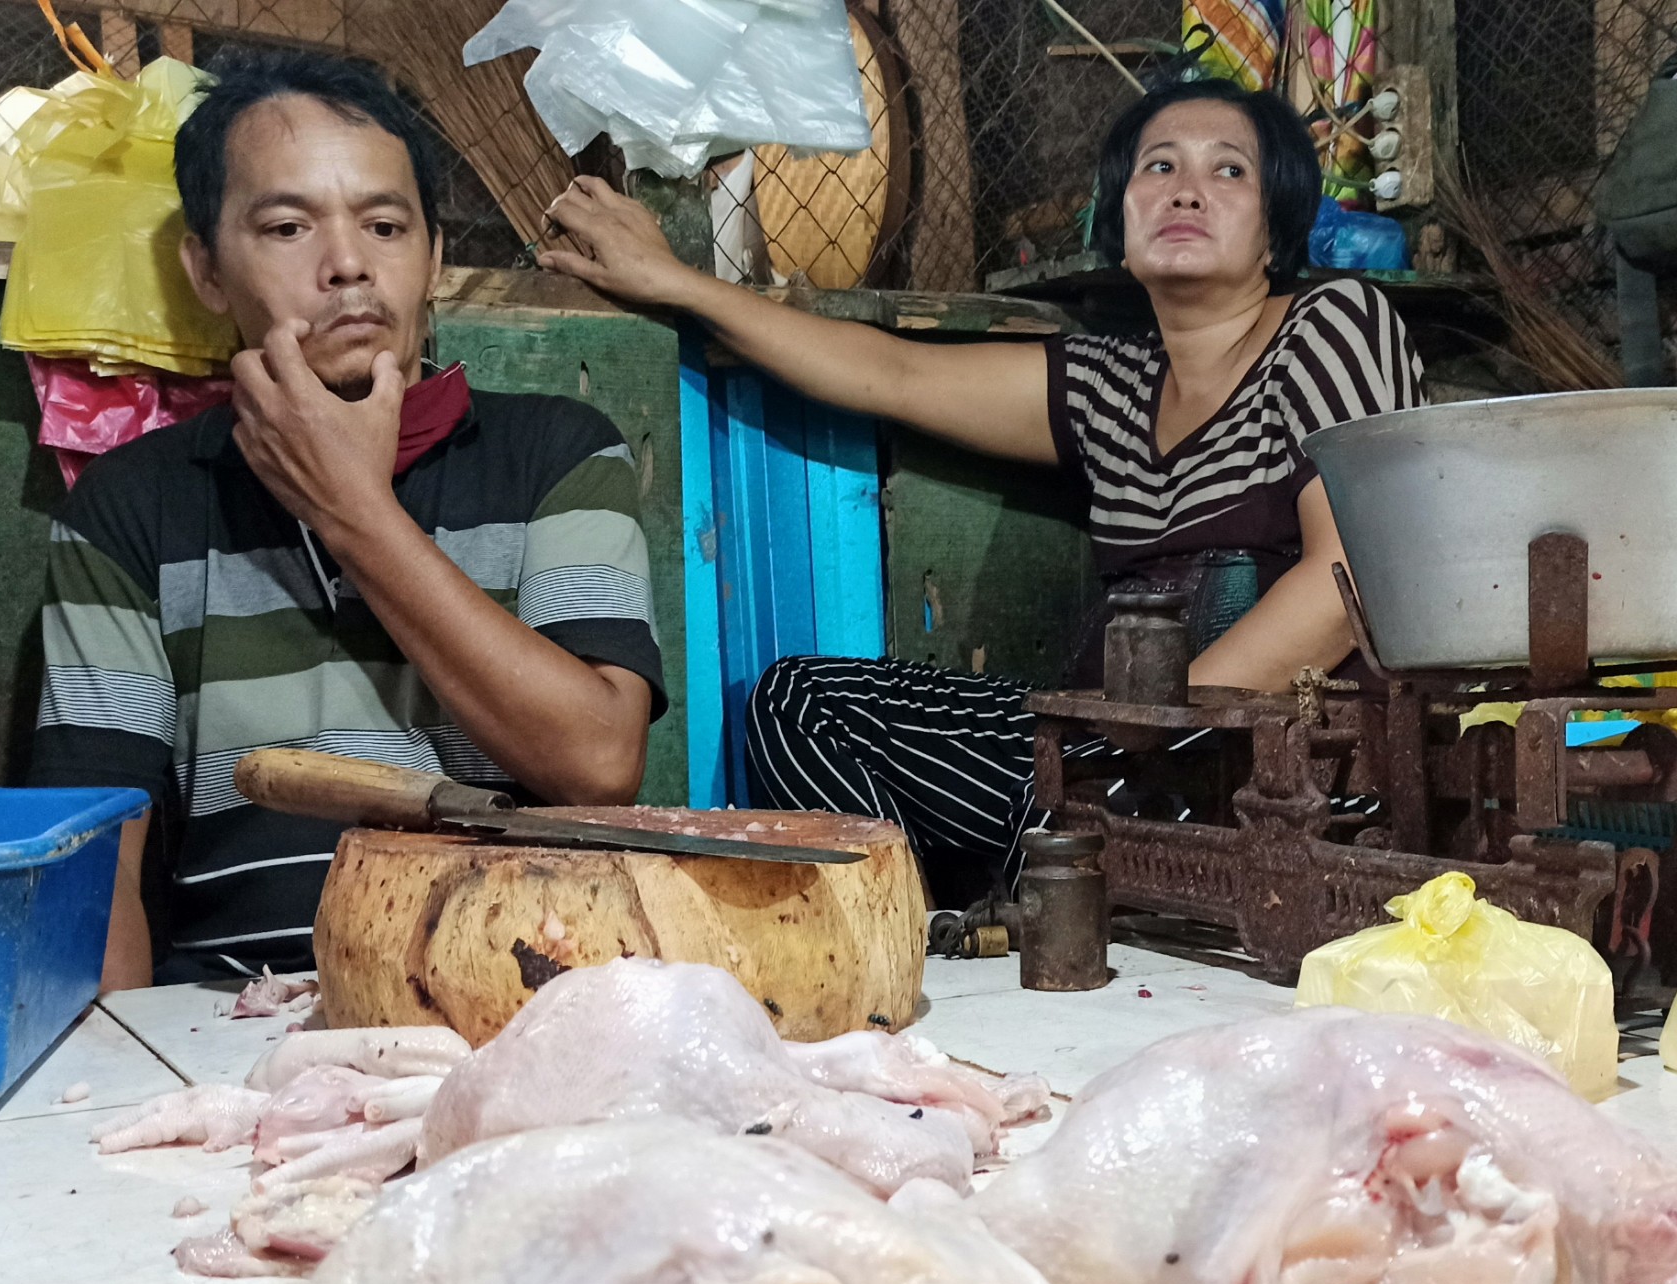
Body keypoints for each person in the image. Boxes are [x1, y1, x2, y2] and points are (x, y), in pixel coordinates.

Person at [541, 73, 1420, 898]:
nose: (1186, 190)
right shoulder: (1106, 385)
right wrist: (678, 284)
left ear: (1277, 224)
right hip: (1099, 749)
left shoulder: (1334, 322)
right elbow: (894, 374)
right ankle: (928, 932)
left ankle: (1050, 879)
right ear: (1121, 215)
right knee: (798, 705)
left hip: (1266, 762)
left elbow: (1350, 580)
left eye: (1229, 171)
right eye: (1159, 167)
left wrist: (1137, 736)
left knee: (1065, 802)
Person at [27, 52, 664, 987]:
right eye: (287, 226)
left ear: (436, 257)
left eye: (385, 224)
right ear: (205, 268)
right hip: (237, 1006)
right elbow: (96, 869)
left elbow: (599, 762)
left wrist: (353, 510)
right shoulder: (130, 509)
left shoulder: (555, 456)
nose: (349, 266)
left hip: (524, 988)